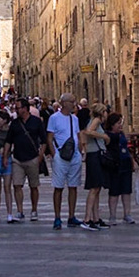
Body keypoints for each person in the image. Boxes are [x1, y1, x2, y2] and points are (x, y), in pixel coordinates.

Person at [46, 93, 85, 230]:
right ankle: (57, 217)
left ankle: (71, 216)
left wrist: (80, 151)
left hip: (74, 155)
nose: (74, 104)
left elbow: (78, 135)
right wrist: (54, 154)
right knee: (58, 187)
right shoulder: (54, 118)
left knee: (73, 186)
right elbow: (50, 137)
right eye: (71, 101)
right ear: (63, 103)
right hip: (60, 156)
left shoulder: (74, 119)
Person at [8, 101, 42, 221]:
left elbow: (43, 140)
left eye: (18, 108)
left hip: (32, 158)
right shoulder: (14, 123)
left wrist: (40, 156)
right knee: (17, 185)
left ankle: (34, 210)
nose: (16, 110)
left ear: (25, 108)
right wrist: (5, 157)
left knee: (34, 186)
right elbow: (8, 141)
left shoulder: (36, 122)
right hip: (17, 159)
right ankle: (20, 211)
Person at [102, 110, 135, 224]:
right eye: (118, 123)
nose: (120, 125)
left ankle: (127, 214)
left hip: (125, 162)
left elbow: (126, 148)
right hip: (115, 164)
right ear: (112, 125)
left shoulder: (121, 134)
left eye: (121, 123)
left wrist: (132, 161)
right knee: (114, 191)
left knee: (126, 190)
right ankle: (112, 216)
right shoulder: (108, 135)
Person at [80, 105, 110, 228]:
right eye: (106, 111)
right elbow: (88, 132)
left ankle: (96, 218)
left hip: (95, 155)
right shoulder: (96, 120)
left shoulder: (96, 121)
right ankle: (87, 219)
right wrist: (104, 137)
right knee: (94, 188)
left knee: (97, 188)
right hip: (95, 155)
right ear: (102, 112)